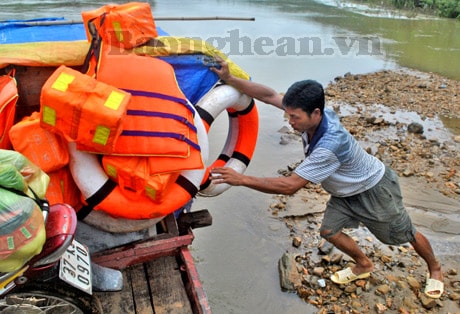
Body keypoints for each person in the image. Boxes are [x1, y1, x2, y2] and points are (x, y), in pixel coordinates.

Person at [209, 58, 444, 299]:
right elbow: (269, 95)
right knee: (329, 231)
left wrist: (241, 179)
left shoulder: (329, 145)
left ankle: (435, 269)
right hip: (344, 192)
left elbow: (290, 186)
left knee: (404, 233)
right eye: (288, 115)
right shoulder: (314, 114)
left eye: (295, 118)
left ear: (316, 113)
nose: (290, 122)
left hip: (374, 188)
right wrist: (230, 79)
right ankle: (364, 264)